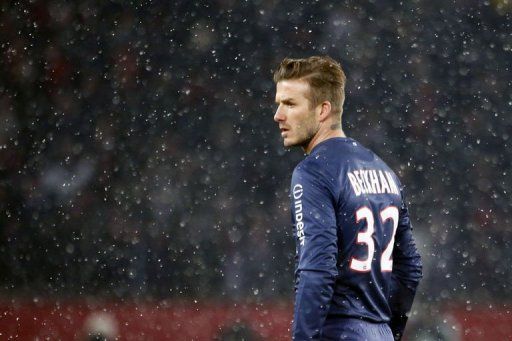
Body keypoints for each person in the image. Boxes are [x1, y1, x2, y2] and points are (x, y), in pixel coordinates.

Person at [273, 56, 422, 340]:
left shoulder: (313, 172)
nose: (278, 114)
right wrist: (387, 330)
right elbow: (410, 266)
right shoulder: (384, 171)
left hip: (338, 330)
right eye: (279, 103)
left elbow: (318, 269)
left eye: (290, 104)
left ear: (322, 110)